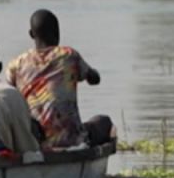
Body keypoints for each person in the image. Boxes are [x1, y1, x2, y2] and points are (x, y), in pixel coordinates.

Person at [6, 10, 112, 149]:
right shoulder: (69, 56)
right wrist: (92, 74)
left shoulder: (16, 65)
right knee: (104, 122)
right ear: (58, 32)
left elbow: (9, 95)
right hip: (70, 140)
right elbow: (95, 79)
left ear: (31, 34)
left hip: (33, 142)